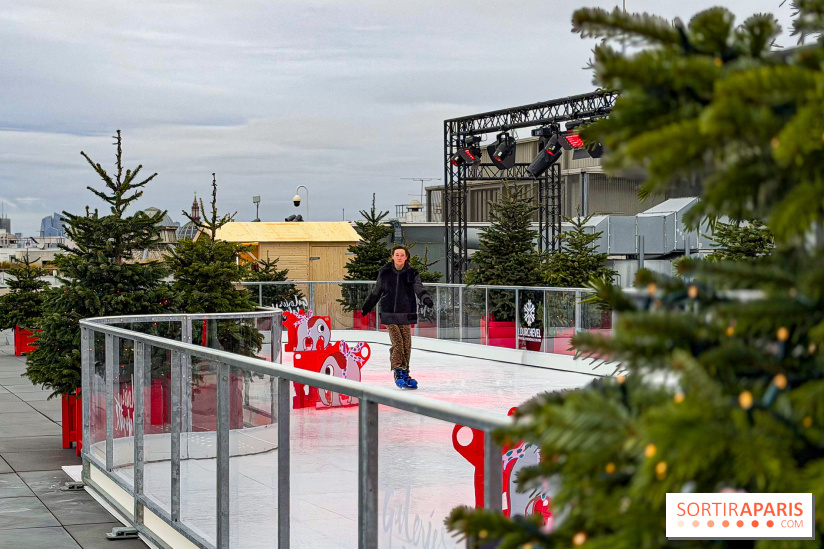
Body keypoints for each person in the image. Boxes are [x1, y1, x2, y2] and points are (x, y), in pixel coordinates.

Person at [361, 245, 434, 389]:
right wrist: (366, 307)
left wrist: (426, 299)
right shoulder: (385, 273)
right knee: (398, 343)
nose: (399, 257)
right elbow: (376, 292)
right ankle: (398, 370)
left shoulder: (412, 273)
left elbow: (419, 288)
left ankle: (405, 371)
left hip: (406, 313)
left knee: (407, 344)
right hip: (389, 312)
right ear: (393, 256)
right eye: (397, 255)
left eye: (402, 255)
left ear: (406, 257)